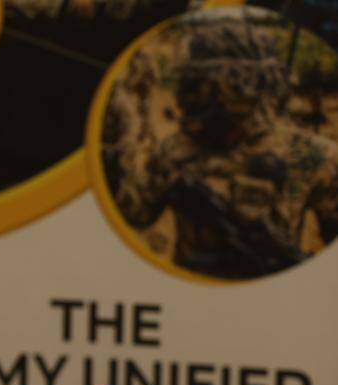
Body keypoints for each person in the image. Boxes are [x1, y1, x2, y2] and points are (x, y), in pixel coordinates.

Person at [112, 8, 338, 278]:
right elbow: (137, 214)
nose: (185, 96)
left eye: (197, 84)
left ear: (237, 85)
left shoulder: (312, 155)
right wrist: (118, 149)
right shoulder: (176, 150)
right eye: (186, 83)